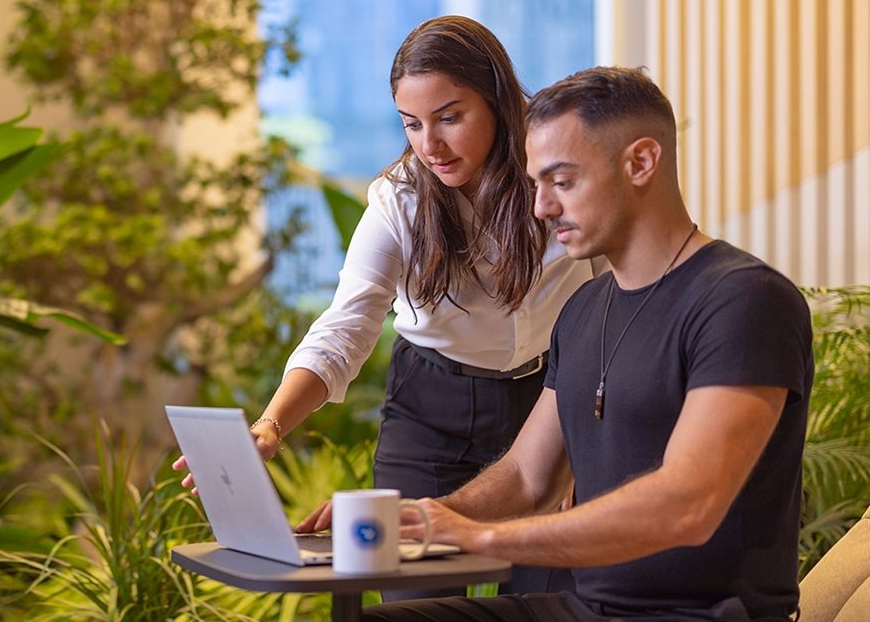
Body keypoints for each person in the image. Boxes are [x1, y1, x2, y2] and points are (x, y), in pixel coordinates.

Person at [301, 66, 814, 622]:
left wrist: (482, 539)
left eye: (562, 182)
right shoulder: (583, 312)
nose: (541, 207)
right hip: (586, 607)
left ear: (640, 162)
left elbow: (686, 505)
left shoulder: (744, 301)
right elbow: (527, 476)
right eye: (536, 183)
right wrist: (426, 517)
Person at [174, 14, 591, 598]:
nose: (431, 145)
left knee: (544, 602)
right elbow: (347, 324)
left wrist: (582, 449)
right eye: (413, 124)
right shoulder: (399, 199)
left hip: (544, 404)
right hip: (430, 413)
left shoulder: (555, 182)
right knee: (413, 604)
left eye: (450, 118)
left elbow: (610, 306)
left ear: (497, 100)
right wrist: (270, 425)